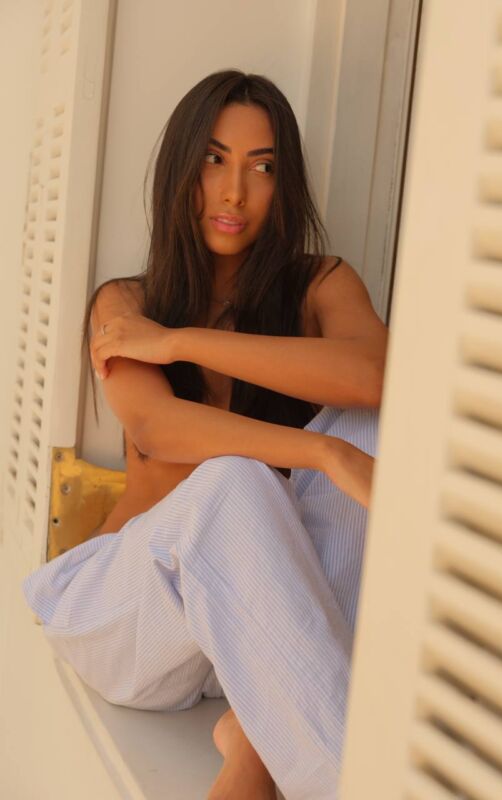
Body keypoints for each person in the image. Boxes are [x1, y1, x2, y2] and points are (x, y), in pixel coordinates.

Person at [21, 70, 388, 800]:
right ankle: (348, 782)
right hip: (129, 617)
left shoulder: (321, 286)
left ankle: (253, 744)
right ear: (182, 168)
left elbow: (376, 376)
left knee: (370, 420)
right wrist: (320, 452)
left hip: (242, 636)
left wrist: (179, 342)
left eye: (262, 167)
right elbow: (158, 428)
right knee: (236, 476)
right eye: (215, 160)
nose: (234, 192)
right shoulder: (126, 302)